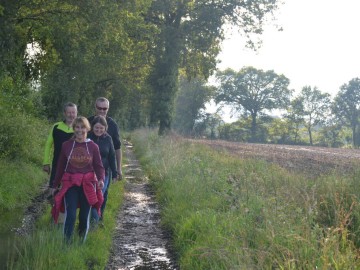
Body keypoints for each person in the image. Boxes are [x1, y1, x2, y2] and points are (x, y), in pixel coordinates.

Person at [51, 117, 105, 242]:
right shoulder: (66, 146)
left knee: (84, 216)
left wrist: (101, 179)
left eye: (82, 127)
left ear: (87, 129)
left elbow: (98, 165)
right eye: (77, 127)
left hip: (88, 184)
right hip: (70, 184)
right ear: (73, 128)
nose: (79, 130)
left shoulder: (93, 147)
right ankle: (67, 243)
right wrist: (54, 185)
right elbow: (60, 167)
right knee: (70, 214)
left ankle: (81, 242)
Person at [88, 116, 117, 222]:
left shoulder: (108, 139)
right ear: (92, 127)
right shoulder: (87, 137)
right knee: (90, 197)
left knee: (99, 195)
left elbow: (112, 156)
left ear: (105, 128)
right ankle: (92, 220)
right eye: (96, 128)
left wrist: (114, 173)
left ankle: (95, 222)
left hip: (104, 174)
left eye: (101, 128)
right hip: (89, 173)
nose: (99, 130)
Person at [43, 102, 78, 187]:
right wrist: (46, 162)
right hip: (57, 163)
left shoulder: (80, 129)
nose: (71, 115)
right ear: (64, 113)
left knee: (68, 191)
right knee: (53, 189)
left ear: (76, 114)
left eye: (73, 112)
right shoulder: (56, 126)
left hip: (73, 167)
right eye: (69, 112)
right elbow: (48, 145)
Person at [88, 97, 122, 180]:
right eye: (99, 108)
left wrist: (118, 169)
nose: (102, 111)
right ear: (95, 107)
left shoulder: (113, 125)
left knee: (103, 192)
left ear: (108, 109)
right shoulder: (87, 122)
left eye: (104, 108)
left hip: (106, 168)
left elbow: (117, 148)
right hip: (87, 167)